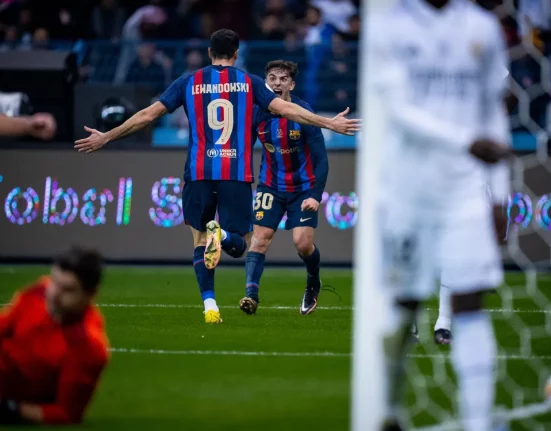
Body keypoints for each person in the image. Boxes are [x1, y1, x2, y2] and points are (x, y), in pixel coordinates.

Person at [74, 29, 360, 324]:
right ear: (236, 54)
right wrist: (329, 123)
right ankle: (221, 235)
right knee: (241, 242)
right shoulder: (250, 83)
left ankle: (210, 306)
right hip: (234, 174)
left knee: (199, 242)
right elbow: (286, 109)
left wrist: (107, 136)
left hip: (198, 174)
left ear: (209, 53)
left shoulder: (188, 81)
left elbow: (148, 115)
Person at [370, 1, 511, 430]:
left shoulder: (483, 28)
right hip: (407, 186)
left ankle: (478, 420)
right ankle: (388, 409)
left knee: (471, 300)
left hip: (465, 186)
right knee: (404, 304)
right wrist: (466, 140)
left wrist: (500, 192)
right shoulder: (388, 29)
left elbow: (495, 111)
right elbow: (398, 111)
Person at [240, 60, 328, 316]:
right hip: (270, 186)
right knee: (259, 240)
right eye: (272, 78)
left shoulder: (304, 112)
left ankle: (313, 280)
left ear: (292, 84)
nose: (277, 83)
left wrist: (315, 196)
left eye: (282, 78)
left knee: (302, 244)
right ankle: (251, 296)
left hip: (302, 189)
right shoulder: (258, 112)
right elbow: (244, 146)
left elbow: (321, 160)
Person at [0, 246, 108, 425]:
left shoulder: (86, 346)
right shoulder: (36, 294)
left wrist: (12, 410)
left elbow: (66, 413)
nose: (54, 294)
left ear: (91, 294)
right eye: (54, 282)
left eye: (68, 289)